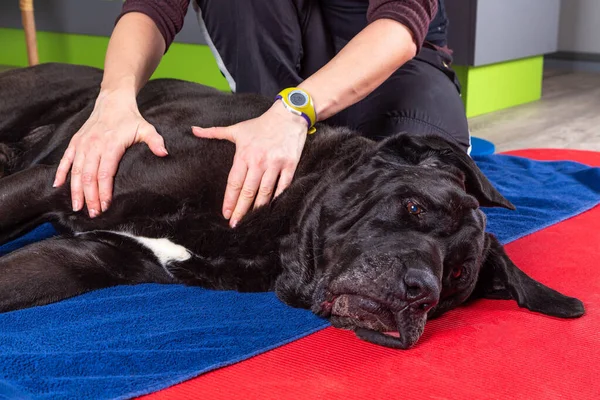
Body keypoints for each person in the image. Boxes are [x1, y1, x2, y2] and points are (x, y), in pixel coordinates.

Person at [52, 0, 470, 228]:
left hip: (392, 69)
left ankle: (283, 130)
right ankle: (267, 137)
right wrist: (114, 99)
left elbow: (400, 23)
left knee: (426, 195)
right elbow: (151, 9)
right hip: (277, 74)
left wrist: (295, 110)